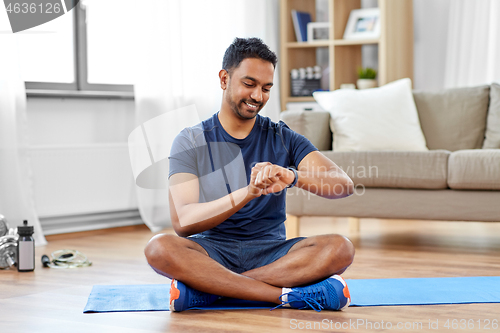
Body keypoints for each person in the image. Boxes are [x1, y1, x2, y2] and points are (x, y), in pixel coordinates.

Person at [145, 37, 355, 312]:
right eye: (249, 84)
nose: (258, 96)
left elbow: (343, 185)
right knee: (158, 248)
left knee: (341, 248)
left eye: (266, 88)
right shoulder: (190, 140)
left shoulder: (283, 137)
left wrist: (292, 176)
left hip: (273, 254)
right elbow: (183, 222)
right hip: (212, 251)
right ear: (224, 79)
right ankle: (284, 296)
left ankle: (211, 290)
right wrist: (248, 192)